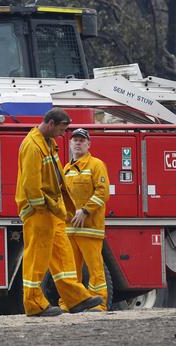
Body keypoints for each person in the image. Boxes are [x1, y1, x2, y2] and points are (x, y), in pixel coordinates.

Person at [15, 107, 103, 316]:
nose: (65, 135)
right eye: (63, 129)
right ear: (51, 124)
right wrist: (44, 208)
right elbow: (32, 187)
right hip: (39, 212)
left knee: (63, 256)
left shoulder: (47, 142)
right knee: (37, 258)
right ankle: (34, 304)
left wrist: (57, 207)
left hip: (51, 210)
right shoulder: (32, 146)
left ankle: (75, 298)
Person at [62, 128, 110, 311]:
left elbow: (103, 192)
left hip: (90, 228)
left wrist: (85, 211)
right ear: (69, 144)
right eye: (75, 140)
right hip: (70, 229)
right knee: (70, 270)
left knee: (95, 269)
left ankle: (99, 304)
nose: (78, 143)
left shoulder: (96, 165)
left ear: (89, 144)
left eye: (82, 140)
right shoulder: (66, 169)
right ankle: (70, 303)